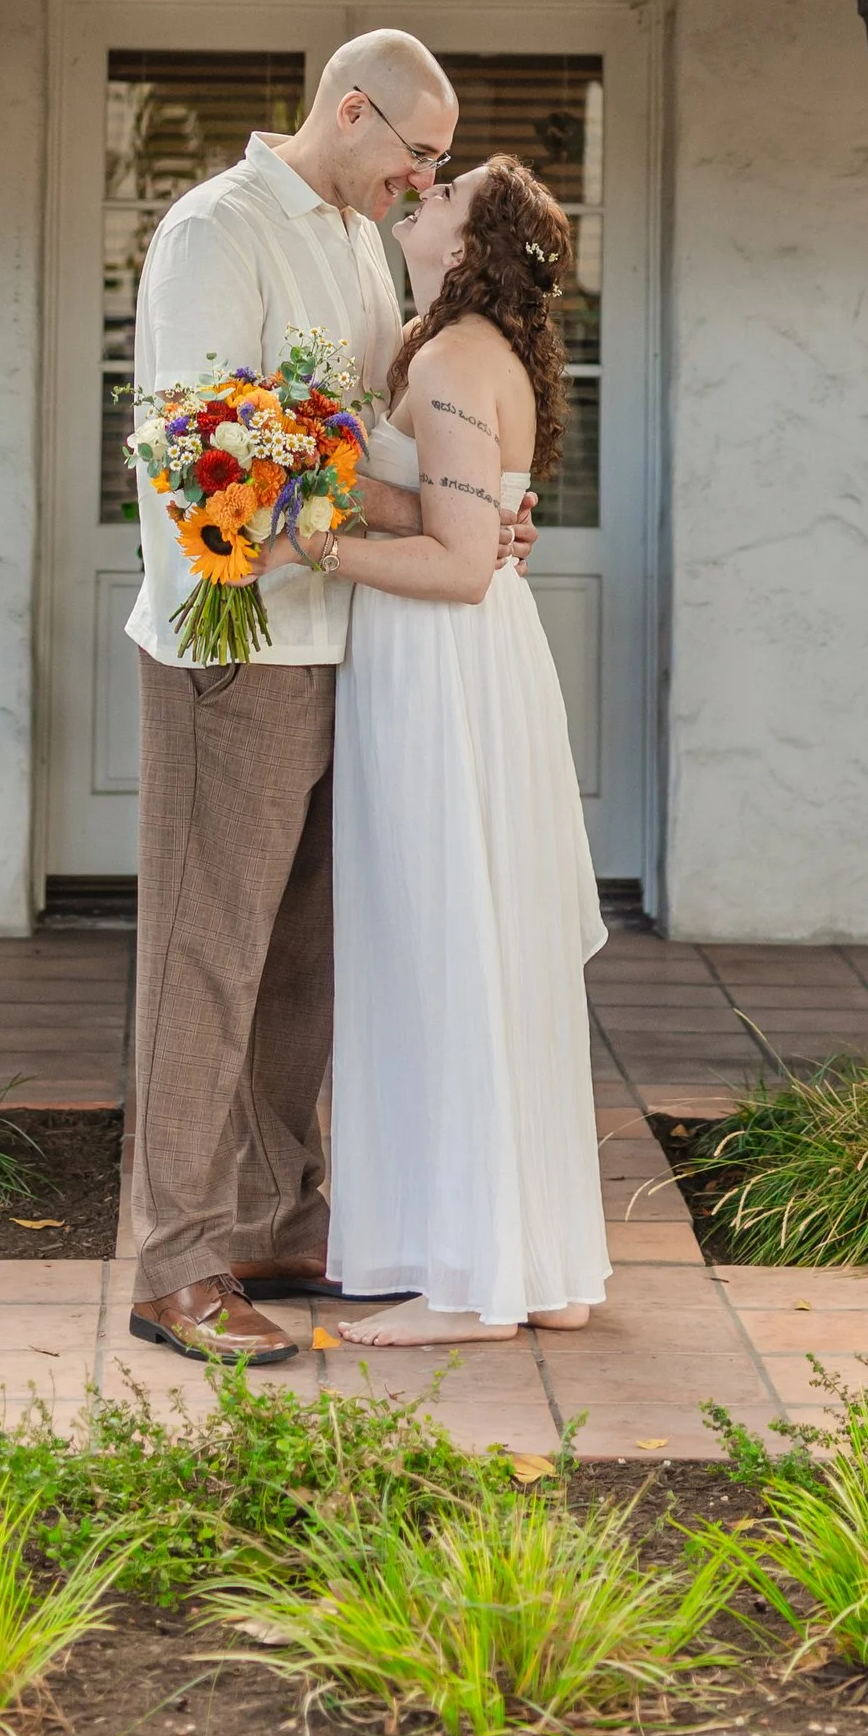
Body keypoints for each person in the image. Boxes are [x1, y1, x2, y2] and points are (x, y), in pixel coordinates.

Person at [120, 27, 457, 1369]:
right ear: (353, 108)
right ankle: (177, 1263)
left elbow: (359, 428)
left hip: (341, 636)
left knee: (299, 961)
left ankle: (274, 1221)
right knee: (207, 955)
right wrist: (417, 512)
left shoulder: (361, 240)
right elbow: (214, 448)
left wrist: (466, 505)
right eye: (417, 153)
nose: (424, 184)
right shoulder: (221, 228)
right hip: (236, 633)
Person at [294, 153, 611, 1344]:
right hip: (464, 670)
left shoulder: (451, 358)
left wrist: (306, 551)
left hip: (444, 675)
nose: (422, 196)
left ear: (472, 244)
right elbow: (446, 512)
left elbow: (461, 566)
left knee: (444, 949)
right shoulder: (457, 348)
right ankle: (540, 1263)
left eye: (446, 194)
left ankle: (469, 1280)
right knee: (485, 949)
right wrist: (312, 489)